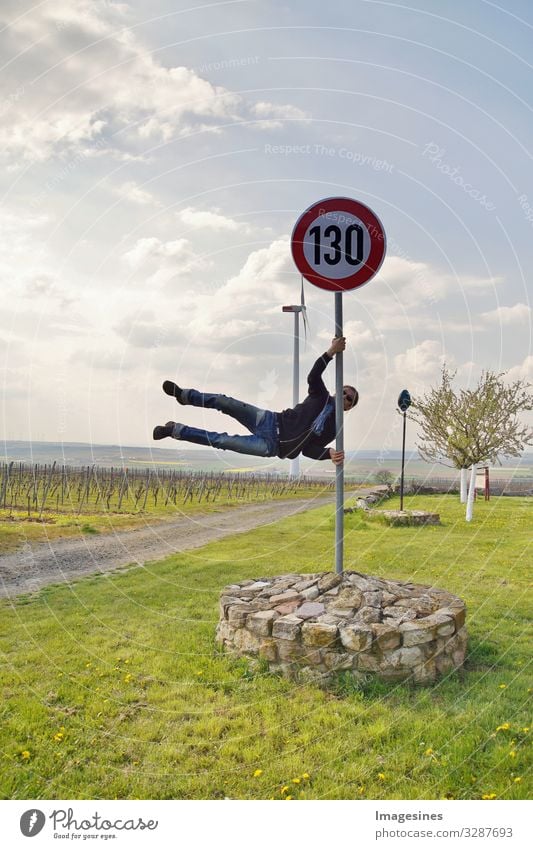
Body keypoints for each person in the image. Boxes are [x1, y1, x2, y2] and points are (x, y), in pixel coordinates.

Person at [153, 336, 358, 466]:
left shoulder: (333, 428)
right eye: (344, 391)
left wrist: (327, 453)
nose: (345, 396)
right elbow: (314, 375)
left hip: (270, 447)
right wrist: (331, 351)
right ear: (337, 389)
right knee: (226, 403)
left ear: (349, 407)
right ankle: (184, 396)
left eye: (350, 399)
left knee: (221, 441)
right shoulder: (320, 395)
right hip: (269, 421)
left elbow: (308, 449)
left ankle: (174, 430)